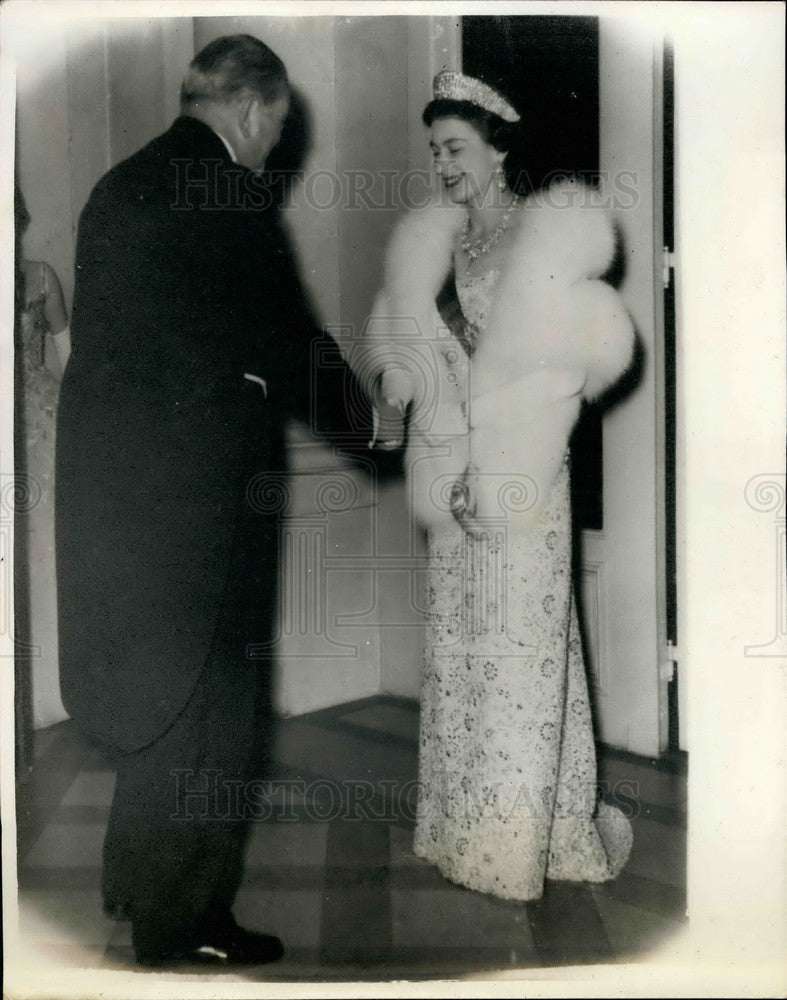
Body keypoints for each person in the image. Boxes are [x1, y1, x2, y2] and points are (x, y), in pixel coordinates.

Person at [56, 34, 365, 967]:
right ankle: (184, 927)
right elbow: (284, 334)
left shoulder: (121, 184)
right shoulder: (224, 189)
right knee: (213, 706)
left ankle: (137, 882)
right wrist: (371, 427)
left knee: (157, 694)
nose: (274, 147)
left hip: (114, 498)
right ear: (250, 107)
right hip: (201, 501)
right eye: (276, 126)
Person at [360, 70, 635, 901]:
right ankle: (461, 834)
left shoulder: (539, 242)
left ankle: (520, 848)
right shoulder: (436, 245)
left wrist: (500, 468)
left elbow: (569, 372)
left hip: (521, 475)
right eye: (434, 151)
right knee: (463, 655)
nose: (442, 166)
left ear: (498, 146)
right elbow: (408, 357)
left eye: (455, 148)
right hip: (450, 472)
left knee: (519, 655)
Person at [15, 186, 71, 732]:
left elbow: (68, 350)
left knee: (46, 541)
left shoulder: (41, 275)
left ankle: (53, 688)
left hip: (39, 414)